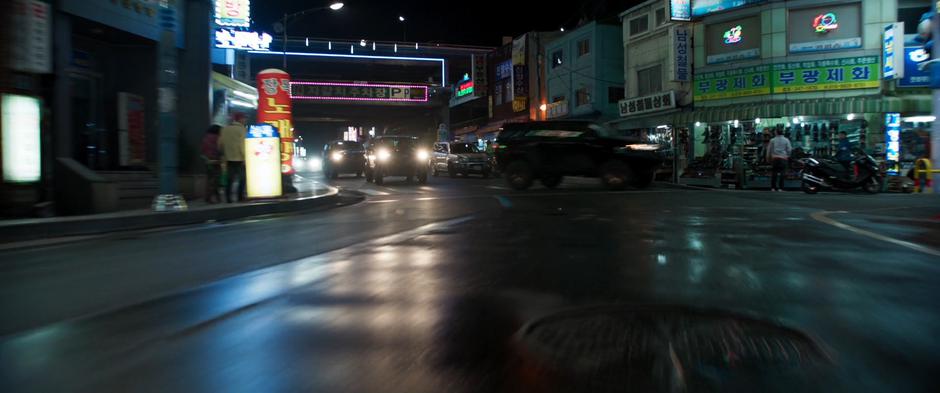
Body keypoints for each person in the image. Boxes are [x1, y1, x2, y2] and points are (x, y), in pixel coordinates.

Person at [219, 113, 247, 203]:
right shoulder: (242, 130)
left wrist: (223, 154)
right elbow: (242, 145)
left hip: (228, 158)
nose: (245, 120)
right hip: (239, 158)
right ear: (240, 119)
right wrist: (245, 158)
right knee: (242, 178)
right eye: (244, 118)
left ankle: (228, 198)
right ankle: (240, 196)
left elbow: (220, 143)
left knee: (229, 179)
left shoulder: (225, 129)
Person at [201, 125, 222, 203]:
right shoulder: (217, 138)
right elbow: (219, 148)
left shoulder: (205, 138)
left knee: (210, 179)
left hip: (208, 161)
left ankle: (209, 197)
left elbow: (203, 150)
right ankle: (213, 198)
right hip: (215, 161)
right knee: (216, 180)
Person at [767, 127, 792, 192]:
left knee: (774, 173)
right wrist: (787, 156)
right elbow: (789, 149)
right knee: (782, 173)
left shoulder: (772, 140)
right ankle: (781, 188)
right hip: (783, 158)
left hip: (775, 158)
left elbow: (769, 150)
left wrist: (768, 157)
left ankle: (773, 187)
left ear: (776, 132)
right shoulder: (786, 140)